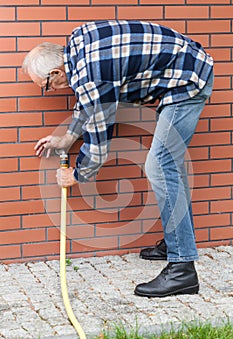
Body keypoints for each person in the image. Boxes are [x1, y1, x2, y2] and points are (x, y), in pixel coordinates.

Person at [22, 20, 214, 298]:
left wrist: (76, 175)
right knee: (169, 168)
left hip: (187, 84)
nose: (51, 90)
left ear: (56, 71)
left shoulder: (91, 76)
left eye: (47, 86)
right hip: (184, 71)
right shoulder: (76, 45)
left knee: (159, 166)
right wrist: (66, 139)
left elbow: (99, 145)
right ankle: (177, 243)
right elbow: (89, 103)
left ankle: (182, 268)